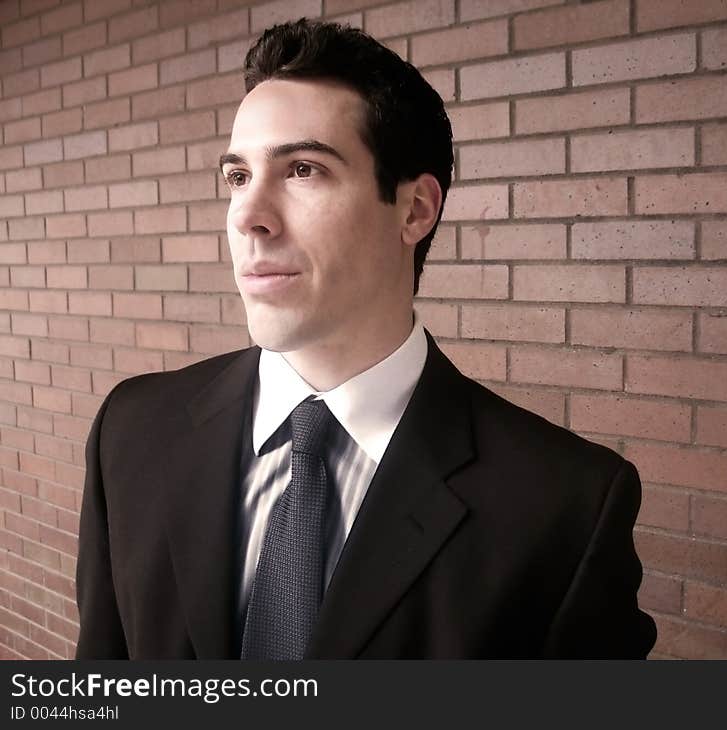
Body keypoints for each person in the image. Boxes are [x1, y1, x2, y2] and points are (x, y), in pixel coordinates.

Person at [75, 18, 656, 659]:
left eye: (302, 169)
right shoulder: (130, 433)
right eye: (237, 177)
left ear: (415, 210)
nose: (247, 216)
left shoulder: (564, 509)